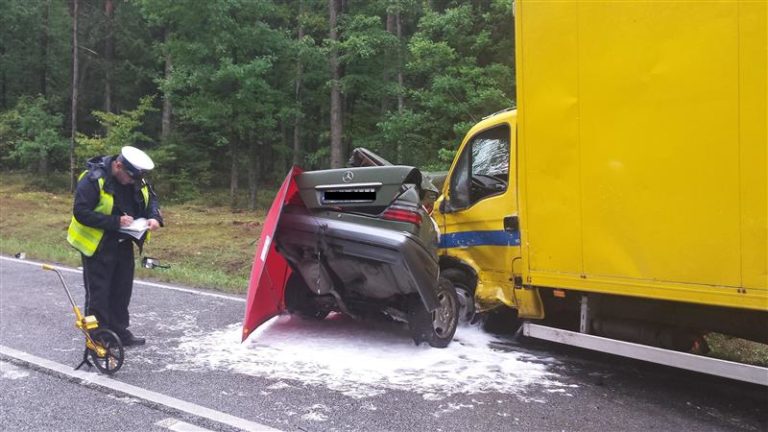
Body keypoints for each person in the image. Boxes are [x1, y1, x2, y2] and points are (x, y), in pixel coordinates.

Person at [67, 146, 163, 346]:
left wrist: (154, 217)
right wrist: (115, 221)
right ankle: (98, 337)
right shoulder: (94, 179)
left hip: (124, 242)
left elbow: (151, 198)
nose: (132, 182)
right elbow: (81, 212)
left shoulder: (136, 178)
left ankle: (119, 332)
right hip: (98, 245)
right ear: (118, 165)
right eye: (129, 177)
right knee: (99, 294)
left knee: (122, 290)